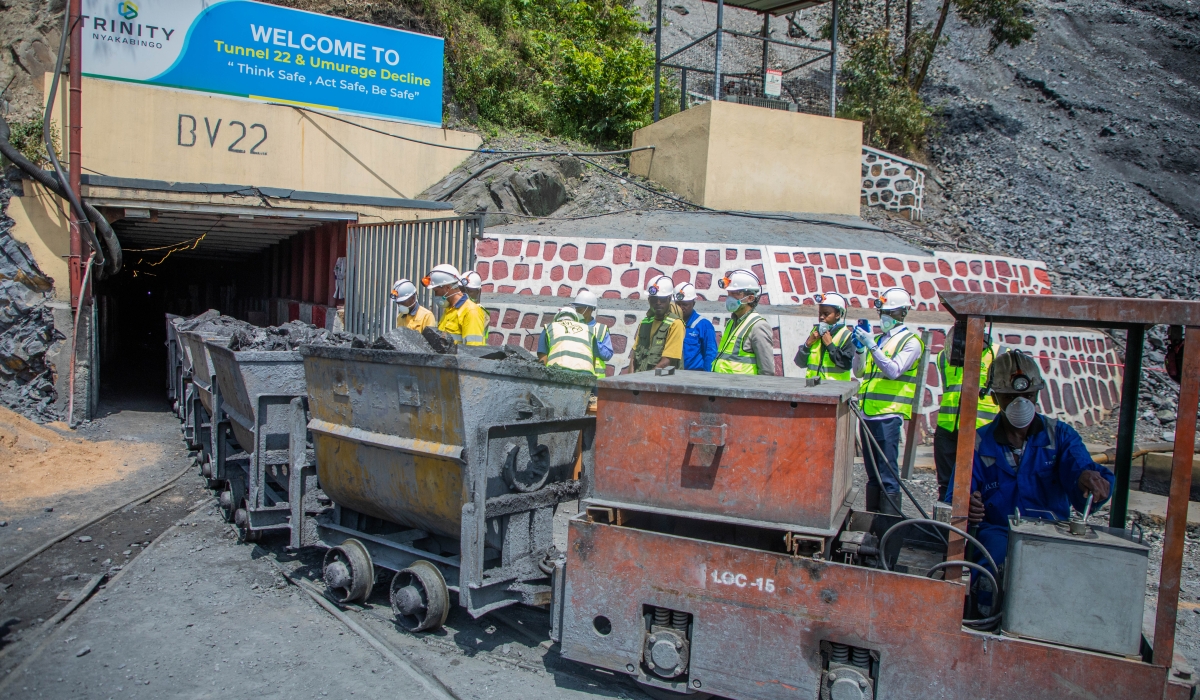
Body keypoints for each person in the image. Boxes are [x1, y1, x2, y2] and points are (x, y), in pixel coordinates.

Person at [944, 350, 1114, 574]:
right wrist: (966, 505)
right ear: (995, 398)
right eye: (1009, 397)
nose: (1020, 404)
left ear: (1037, 394)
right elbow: (954, 499)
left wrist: (1090, 482)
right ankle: (986, 605)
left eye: (1028, 396)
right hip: (998, 533)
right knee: (991, 564)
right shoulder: (977, 443)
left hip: (1051, 532)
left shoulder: (1060, 436)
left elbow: (1082, 472)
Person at [852, 287, 924, 514]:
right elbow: (860, 372)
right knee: (872, 475)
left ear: (903, 313)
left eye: (890, 313)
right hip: (868, 414)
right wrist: (860, 350)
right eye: (882, 312)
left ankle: (888, 530)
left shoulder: (910, 342)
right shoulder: (882, 340)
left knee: (888, 475)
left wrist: (872, 346)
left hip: (888, 416)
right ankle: (873, 524)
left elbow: (893, 371)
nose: (884, 317)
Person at [933, 327, 1000, 500]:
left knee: (980, 485)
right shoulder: (944, 356)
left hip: (981, 432)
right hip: (947, 429)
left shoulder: (998, 355)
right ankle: (943, 523)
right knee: (946, 485)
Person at [538, 289, 613, 379]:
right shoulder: (570, 326)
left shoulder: (601, 329)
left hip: (595, 376)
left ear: (589, 309)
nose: (577, 312)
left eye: (579, 309)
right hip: (580, 373)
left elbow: (607, 354)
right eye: (576, 309)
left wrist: (590, 342)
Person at [712, 269, 775, 376]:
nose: (730, 298)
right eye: (729, 293)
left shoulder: (758, 326)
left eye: (735, 293)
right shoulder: (731, 323)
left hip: (743, 390)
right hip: (723, 389)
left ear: (750, 298)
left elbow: (767, 371)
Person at [793, 292, 854, 381]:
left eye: (826, 314)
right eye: (820, 313)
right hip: (812, 389)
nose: (821, 317)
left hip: (835, 391)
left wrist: (830, 346)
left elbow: (847, 364)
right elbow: (799, 363)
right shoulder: (815, 332)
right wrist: (807, 344)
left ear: (838, 315)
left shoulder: (846, 336)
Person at [422, 263, 486, 346]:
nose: (436, 295)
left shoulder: (471, 311)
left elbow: (473, 350)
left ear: (447, 288)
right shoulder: (449, 310)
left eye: (436, 291)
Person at [630, 275, 684, 373]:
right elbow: (634, 356)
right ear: (649, 300)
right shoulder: (645, 322)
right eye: (654, 299)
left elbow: (667, 361)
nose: (658, 303)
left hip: (663, 384)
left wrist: (644, 381)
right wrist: (629, 381)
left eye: (662, 299)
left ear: (669, 299)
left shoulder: (676, 324)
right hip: (640, 381)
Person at [539, 307, 598, 377]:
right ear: (576, 319)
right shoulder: (589, 329)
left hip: (557, 371)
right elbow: (594, 358)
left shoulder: (550, 327)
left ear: (557, 319)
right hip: (586, 373)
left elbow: (543, 357)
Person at [674, 282, 717, 372]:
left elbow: (710, 354)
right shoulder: (671, 322)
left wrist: (706, 377)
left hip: (694, 376)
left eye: (685, 304)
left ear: (693, 303)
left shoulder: (704, 325)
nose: (681, 308)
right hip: (673, 374)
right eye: (678, 304)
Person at [460, 271, 492, 336]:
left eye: (469, 291)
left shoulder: (479, 312)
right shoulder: (456, 308)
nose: (465, 294)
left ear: (478, 291)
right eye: (462, 290)